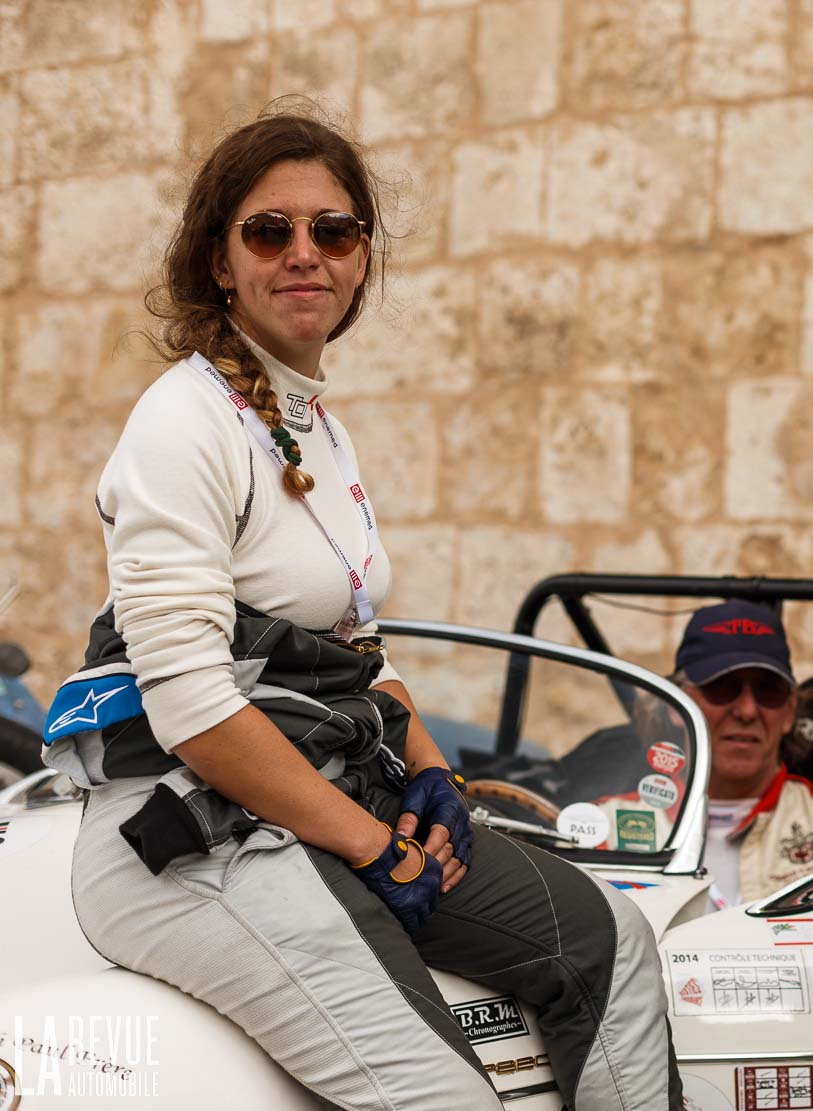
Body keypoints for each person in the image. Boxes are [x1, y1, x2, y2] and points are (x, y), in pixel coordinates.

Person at [40, 105, 680, 1109]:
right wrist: (373, 842)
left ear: (360, 258)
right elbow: (194, 712)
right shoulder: (181, 423)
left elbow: (357, 647)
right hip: (191, 838)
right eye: (270, 231)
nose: (305, 254)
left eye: (332, 232)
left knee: (611, 945)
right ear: (219, 260)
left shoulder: (315, 430)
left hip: (328, 798)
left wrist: (433, 777)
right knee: (445, 1097)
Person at [673, 600, 813, 910]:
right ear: (679, 706)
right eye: (721, 687)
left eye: (768, 690)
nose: (746, 711)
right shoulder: (611, 826)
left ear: (789, 711)